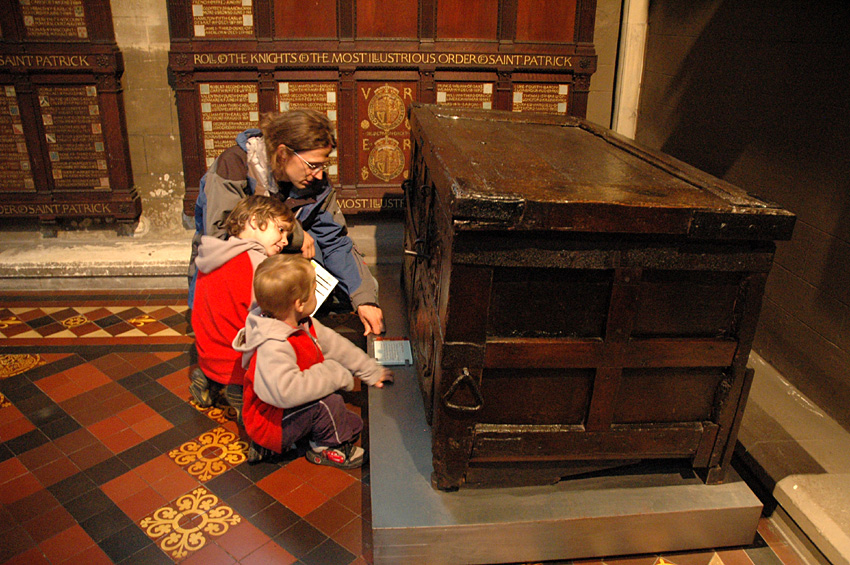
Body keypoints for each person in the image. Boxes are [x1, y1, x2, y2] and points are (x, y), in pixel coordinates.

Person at [189, 108, 384, 336]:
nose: (320, 175)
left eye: (323, 165)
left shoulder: (314, 183)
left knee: (343, 294)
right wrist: (296, 235)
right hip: (229, 282)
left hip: (276, 278)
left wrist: (365, 298)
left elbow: (335, 242)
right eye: (313, 165)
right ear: (283, 154)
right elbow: (222, 240)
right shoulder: (232, 166)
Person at [233, 254, 393, 468]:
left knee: (352, 424)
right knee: (329, 405)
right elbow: (287, 391)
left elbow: (337, 347)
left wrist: (370, 371)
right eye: (314, 290)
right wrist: (335, 374)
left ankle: (302, 437)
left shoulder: (303, 322)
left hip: (285, 410)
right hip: (269, 423)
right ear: (299, 303)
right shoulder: (274, 345)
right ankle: (326, 449)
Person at [189, 194, 295, 425]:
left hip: (208, 354)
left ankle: (209, 379)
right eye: (281, 230)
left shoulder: (214, 254)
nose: (285, 241)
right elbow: (267, 318)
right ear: (255, 221)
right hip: (239, 364)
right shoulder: (256, 264)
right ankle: (244, 399)